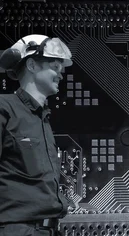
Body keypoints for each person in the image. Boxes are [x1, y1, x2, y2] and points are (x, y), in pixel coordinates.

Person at [0, 34, 74, 236]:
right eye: (55, 66)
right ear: (32, 65)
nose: (61, 74)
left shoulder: (43, 119)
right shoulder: (5, 108)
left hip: (47, 230)